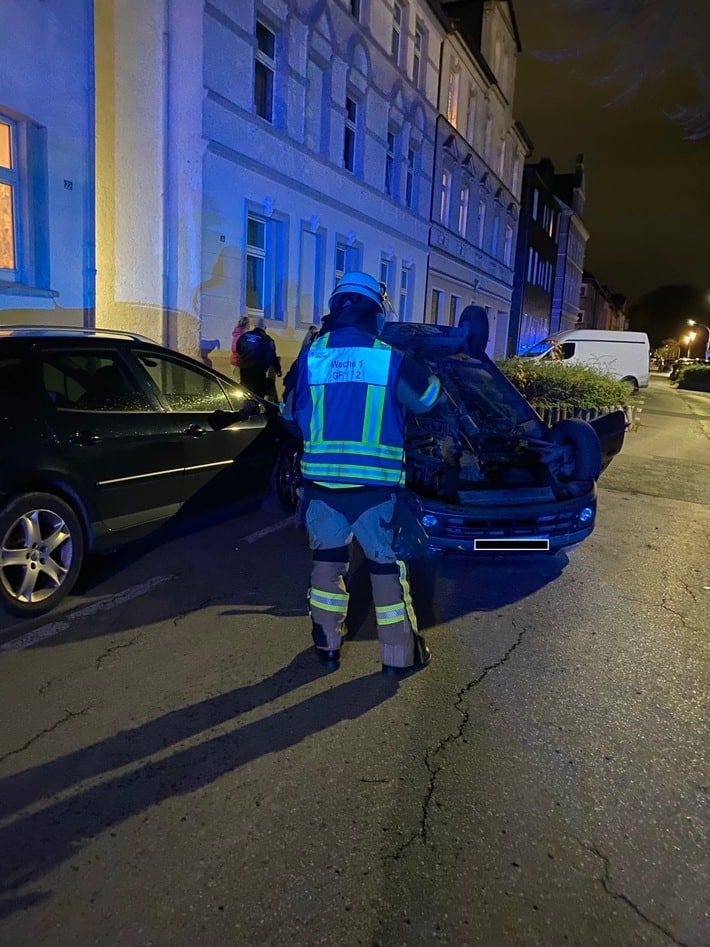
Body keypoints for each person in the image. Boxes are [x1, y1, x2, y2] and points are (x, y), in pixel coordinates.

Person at [280, 271, 442, 675]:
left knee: (327, 566)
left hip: (320, 489)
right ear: (375, 312)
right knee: (386, 571)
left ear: (336, 310)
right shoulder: (388, 358)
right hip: (375, 493)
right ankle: (399, 656)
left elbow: (289, 416)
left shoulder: (310, 359)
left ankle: (327, 645)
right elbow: (429, 398)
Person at [236, 317, 282, 399]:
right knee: (258, 395)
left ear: (255, 325)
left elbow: (238, 349)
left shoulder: (245, 336)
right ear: (264, 327)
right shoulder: (268, 340)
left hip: (244, 370)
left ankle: (245, 408)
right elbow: (272, 356)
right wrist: (278, 369)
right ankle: (256, 409)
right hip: (259, 371)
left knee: (245, 392)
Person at [230, 315, 250, 380]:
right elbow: (235, 349)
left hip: (240, 363)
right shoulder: (240, 336)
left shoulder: (241, 335)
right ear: (245, 324)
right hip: (238, 363)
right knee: (240, 383)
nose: (249, 325)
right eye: (248, 323)